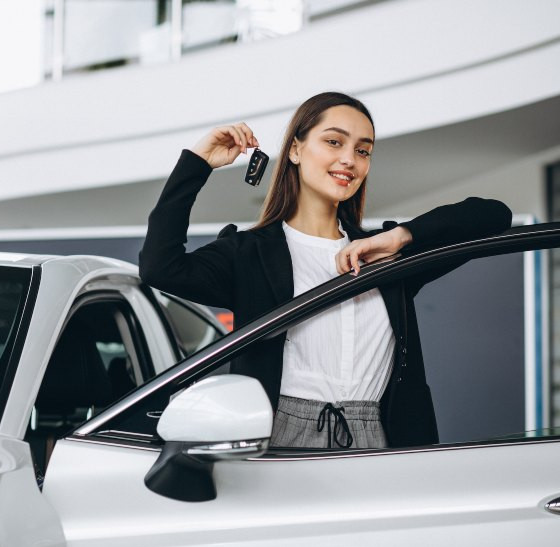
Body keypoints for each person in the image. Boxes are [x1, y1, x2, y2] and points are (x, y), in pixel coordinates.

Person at [139, 92, 513, 450]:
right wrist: (197, 163)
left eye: (363, 150)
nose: (350, 159)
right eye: (334, 142)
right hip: (279, 437)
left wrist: (401, 237)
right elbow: (161, 268)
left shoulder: (383, 254)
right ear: (297, 150)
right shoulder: (250, 253)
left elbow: (493, 215)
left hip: (382, 438)